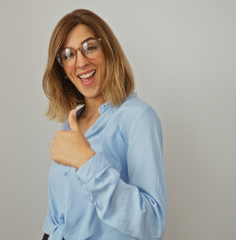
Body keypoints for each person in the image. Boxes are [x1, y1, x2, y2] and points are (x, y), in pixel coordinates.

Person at [41, 9, 167, 240]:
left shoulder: (138, 118)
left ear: (108, 50)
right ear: (62, 70)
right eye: (68, 54)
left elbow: (151, 224)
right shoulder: (70, 125)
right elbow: (56, 221)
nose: (80, 62)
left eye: (89, 47)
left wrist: (86, 161)